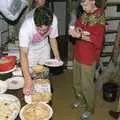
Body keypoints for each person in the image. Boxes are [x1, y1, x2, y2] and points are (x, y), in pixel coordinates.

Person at [68, 0, 105, 119]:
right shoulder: (85, 13)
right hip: (78, 54)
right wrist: (76, 30)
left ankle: (90, 108)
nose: (83, 8)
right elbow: (79, 24)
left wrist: (80, 35)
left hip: (88, 58)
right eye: (81, 5)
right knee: (76, 82)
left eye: (85, 4)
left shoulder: (99, 16)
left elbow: (98, 41)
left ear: (93, 0)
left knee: (87, 86)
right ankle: (80, 99)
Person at [19, 6, 60, 95]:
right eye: (38, 29)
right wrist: (27, 79)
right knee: (30, 74)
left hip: (44, 46)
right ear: (34, 22)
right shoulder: (26, 27)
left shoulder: (54, 20)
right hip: (30, 50)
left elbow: (52, 39)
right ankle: (32, 90)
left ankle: (43, 91)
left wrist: (57, 57)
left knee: (44, 72)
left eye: (45, 29)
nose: (41, 32)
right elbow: (23, 53)